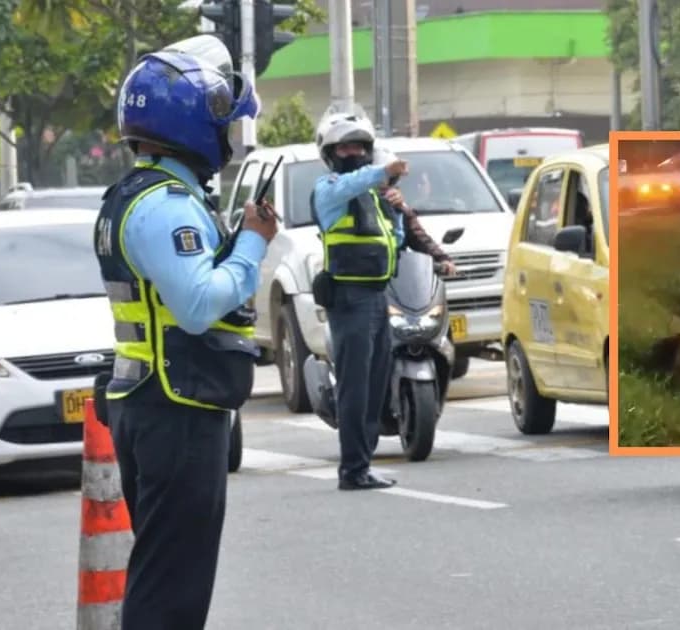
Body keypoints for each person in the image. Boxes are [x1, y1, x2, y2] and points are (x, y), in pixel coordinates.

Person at [93, 34, 277, 630]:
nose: (228, 138)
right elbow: (198, 305)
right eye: (223, 124)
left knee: (167, 571)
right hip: (175, 409)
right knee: (173, 584)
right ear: (192, 123)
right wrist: (252, 243)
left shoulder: (135, 196)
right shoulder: (166, 205)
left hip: (157, 403)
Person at [311, 112, 449, 490]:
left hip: (377, 297)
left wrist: (397, 208)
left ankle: (363, 463)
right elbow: (355, 181)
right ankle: (352, 470)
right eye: (344, 148)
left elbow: (397, 239)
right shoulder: (329, 190)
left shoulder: (375, 197)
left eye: (359, 147)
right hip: (349, 299)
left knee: (374, 386)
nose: (353, 153)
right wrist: (381, 173)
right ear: (330, 154)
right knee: (355, 388)